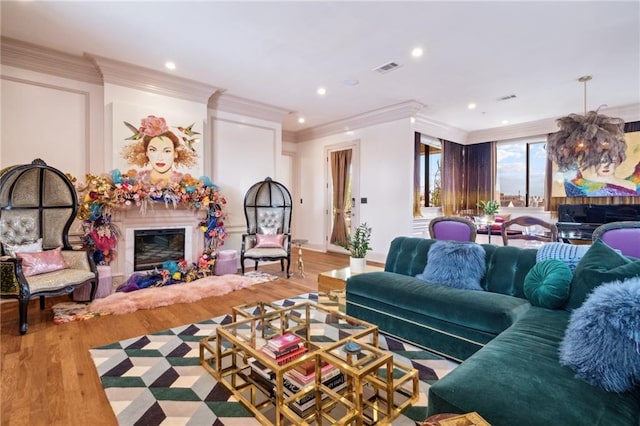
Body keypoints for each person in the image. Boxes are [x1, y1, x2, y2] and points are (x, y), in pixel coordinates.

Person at [122, 115, 197, 183]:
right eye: (153, 150)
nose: (160, 158)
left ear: (175, 154)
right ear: (146, 153)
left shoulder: (186, 182)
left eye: (167, 151)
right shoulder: (137, 181)